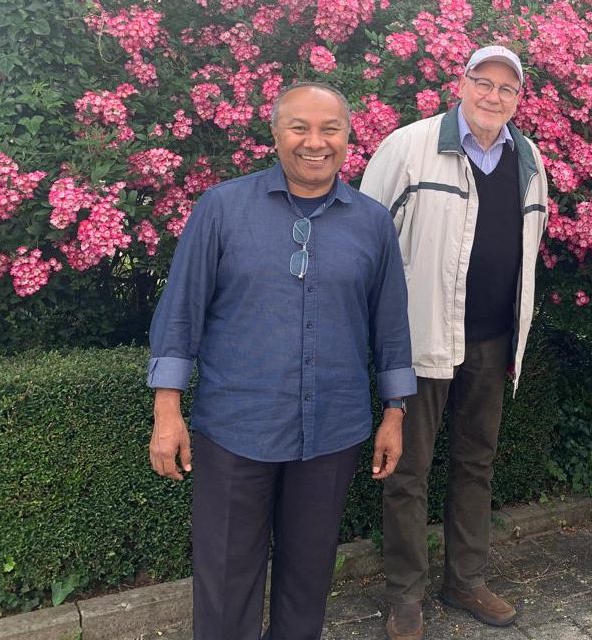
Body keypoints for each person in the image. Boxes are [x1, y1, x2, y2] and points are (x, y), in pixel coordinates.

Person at [146, 82, 415, 640]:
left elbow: (390, 325)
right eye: (299, 128)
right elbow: (180, 314)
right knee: (224, 581)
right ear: (274, 133)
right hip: (235, 428)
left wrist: (396, 412)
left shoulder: (371, 222)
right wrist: (166, 411)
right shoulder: (222, 209)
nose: (314, 142)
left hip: (331, 431)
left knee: (309, 578)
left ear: (348, 137)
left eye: (329, 129)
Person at [358, 45, 548, 640]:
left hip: (492, 342)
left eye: (507, 88)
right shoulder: (408, 146)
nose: (494, 96)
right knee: (408, 470)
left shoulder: (528, 157)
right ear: (460, 84)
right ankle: (404, 596)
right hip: (422, 341)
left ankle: (464, 580)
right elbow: (367, 242)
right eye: (483, 83)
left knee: (476, 464)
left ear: (519, 99)